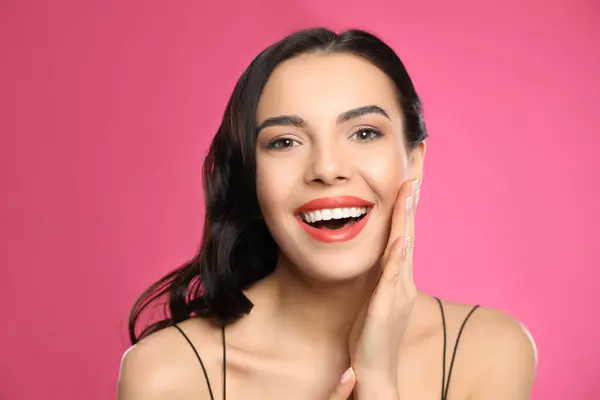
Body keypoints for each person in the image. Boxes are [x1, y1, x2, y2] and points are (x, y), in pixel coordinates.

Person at [117, 28, 537, 400]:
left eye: (364, 133)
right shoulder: (168, 375)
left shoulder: (487, 352)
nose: (326, 169)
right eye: (285, 142)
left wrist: (376, 380)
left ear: (416, 160)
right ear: (253, 176)